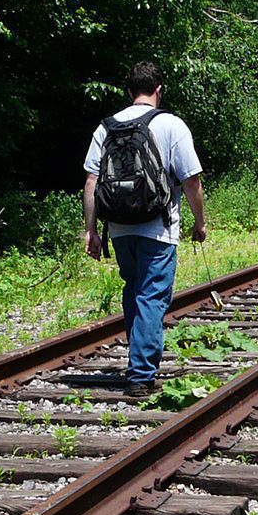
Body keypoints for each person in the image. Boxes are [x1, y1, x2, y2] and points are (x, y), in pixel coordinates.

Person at [82, 61, 208, 397]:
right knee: (152, 295)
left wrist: (90, 230)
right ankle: (140, 375)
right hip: (158, 227)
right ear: (159, 88)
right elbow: (191, 179)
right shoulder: (171, 124)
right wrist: (200, 222)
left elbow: (92, 179)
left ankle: (139, 362)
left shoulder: (106, 127)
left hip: (120, 227)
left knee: (135, 291)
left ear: (128, 91)